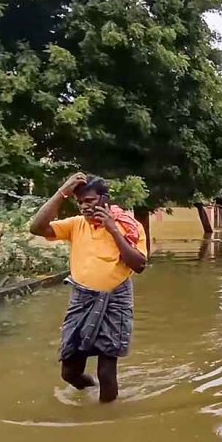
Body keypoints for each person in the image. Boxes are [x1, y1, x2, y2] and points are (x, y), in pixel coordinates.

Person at [29, 173, 148, 403]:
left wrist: (113, 229)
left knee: (106, 371)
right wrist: (63, 190)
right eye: (80, 201)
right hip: (81, 299)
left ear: (104, 199)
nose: (84, 206)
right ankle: (88, 389)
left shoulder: (127, 226)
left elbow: (140, 264)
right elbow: (37, 228)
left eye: (90, 201)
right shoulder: (75, 225)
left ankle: (106, 421)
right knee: (69, 372)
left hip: (116, 299)